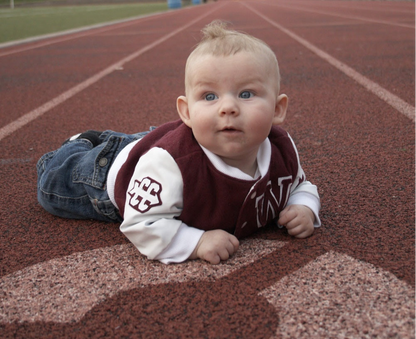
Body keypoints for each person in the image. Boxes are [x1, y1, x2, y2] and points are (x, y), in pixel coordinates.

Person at [37, 21, 321, 265]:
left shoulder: (281, 149)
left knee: (143, 144)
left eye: (246, 94)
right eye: (209, 97)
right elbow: (141, 223)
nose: (228, 107)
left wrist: (303, 206)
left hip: (152, 145)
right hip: (104, 175)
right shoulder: (170, 164)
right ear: (186, 112)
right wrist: (195, 242)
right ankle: (80, 144)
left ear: (278, 109)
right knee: (51, 184)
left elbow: (299, 185)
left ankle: (117, 141)